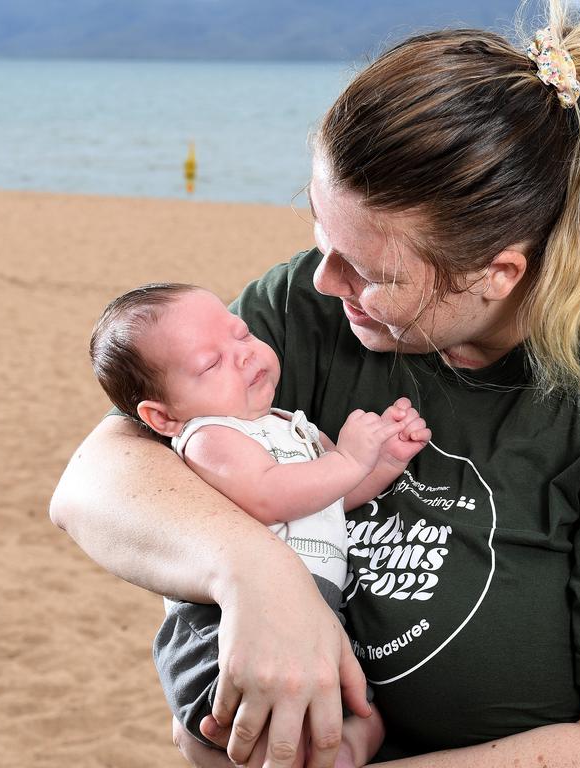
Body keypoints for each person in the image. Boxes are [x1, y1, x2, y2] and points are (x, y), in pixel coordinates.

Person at [50, 3, 580, 767]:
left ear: (498, 273)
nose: (326, 282)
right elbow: (95, 480)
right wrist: (257, 576)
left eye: (370, 271)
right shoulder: (312, 306)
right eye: (320, 232)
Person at [88, 283, 434, 765]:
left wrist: (383, 463)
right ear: (162, 416)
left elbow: (329, 495)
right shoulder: (210, 437)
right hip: (228, 625)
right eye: (211, 363)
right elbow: (270, 496)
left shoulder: (288, 424)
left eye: (243, 334)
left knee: (363, 719)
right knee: (264, 729)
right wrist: (353, 458)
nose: (245, 355)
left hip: (315, 610)